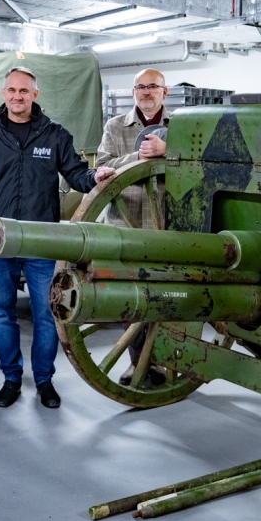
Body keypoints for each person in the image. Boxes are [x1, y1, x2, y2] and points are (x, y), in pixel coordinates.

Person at [0, 67, 115, 409]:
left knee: (46, 313)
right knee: (2, 312)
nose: (18, 96)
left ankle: (45, 380)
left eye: (24, 91)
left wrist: (95, 176)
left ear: (35, 95)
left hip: (42, 242)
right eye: (12, 90)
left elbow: (76, 173)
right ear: (3, 94)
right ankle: (11, 379)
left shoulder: (54, 135)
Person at [96, 68, 170, 386]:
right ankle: (138, 361)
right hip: (125, 227)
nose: (146, 92)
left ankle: (161, 360)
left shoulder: (181, 127)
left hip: (163, 228)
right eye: (140, 87)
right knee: (134, 297)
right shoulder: (115, 126)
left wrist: (169, 154)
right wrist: (136, 158)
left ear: (164, 92)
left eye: (153, 86)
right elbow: (102, 164)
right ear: (133, 92)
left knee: (166, 295)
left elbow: (200, 165)